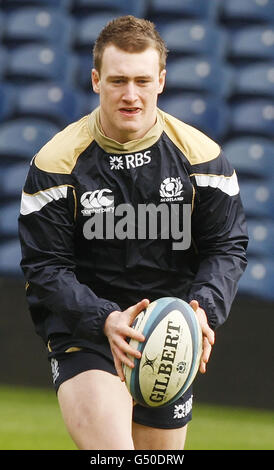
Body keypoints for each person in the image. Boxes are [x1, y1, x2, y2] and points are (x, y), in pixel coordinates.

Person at [18, 15, 248, 450]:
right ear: (95, 80)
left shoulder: (203, 160)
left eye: (142, 81)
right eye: (118, 80)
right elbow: (45, 268)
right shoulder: (55, 164)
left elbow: (226, 248)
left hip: (167, 334)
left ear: (161, 80)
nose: (130, 95)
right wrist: (104, 319)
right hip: (86, 333)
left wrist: (202, 312)